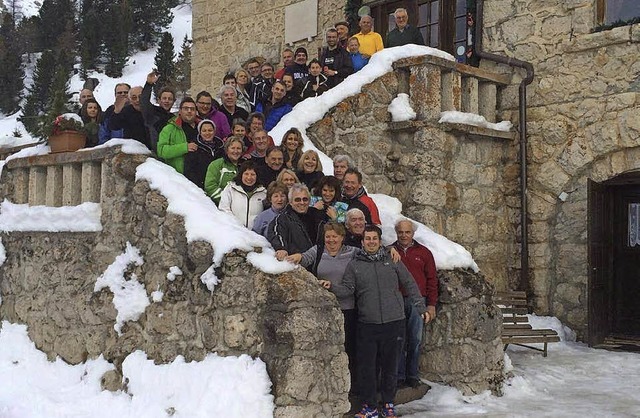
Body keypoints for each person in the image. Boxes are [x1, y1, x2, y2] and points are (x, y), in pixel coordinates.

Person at [331, 225, 428, 418]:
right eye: (368, 239)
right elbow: (348, 289)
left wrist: (420, 307)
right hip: (368, 323)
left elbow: (409, 283)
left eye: (374, 238)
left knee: (390, 366)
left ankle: (388, 403)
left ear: (379, 240)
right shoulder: (355, 265)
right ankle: (370, 406)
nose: (371, 242)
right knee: (367, 367)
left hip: (394, 321)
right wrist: (330, 286)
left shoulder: (392, 260)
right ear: (362, 242)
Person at [285, 222, 359, 392]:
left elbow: (371, 254)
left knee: (349, 347)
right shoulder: (318, 251)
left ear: (342, 237)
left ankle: (351, 388)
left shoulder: (352, 252)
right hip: (325, 308)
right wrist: (296, 257)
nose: (331, 240)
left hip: (348, 308)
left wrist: (390, 250)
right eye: (328, 237)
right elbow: (304, 258)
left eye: (335, 236)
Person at [392, 219, 438, 389]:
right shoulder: (390, 251)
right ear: (396, 233)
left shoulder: (424, 253)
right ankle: (398, 376)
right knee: (398, 340)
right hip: (396, 301)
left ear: (413, 233)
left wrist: (431, 304)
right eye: (400, 232)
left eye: (407, 232)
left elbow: (432, 280)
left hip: (418, 302)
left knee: (415, 339)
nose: (404, 235)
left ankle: (412, 375)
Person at [267, 183, 324, 260]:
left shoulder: (318, 216)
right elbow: (276, 233)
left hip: (320, 263)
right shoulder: (282, 218)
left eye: (305, 199)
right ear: (290, 202)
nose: (302, 203)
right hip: (297, 262)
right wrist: (281, 248)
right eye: (297, 200)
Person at [219, 161, 267, 229]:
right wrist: (238, 227)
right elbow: (224, 209)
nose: (249, 177)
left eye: (252, 174)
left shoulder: (263, 193)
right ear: (241, 175)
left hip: (255, 235)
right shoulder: (230, 189)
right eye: (246, 174)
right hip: (235, 231)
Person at [157, 97, 199, 174]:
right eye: (186, 108)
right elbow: (161, 151)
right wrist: (184, 147)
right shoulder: (170, 128)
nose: (189, 111)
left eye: (192, 109)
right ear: (180, 111)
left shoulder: (202, 127)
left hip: (201, 174)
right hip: (180, 175)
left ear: (196, 112)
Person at [140, 71, 176, 152]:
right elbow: (144, 101)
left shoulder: (174, 118)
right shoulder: (152, 113)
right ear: (159, 100)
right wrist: (149, 84)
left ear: (173, 101)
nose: (167, 101)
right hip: (154, 154)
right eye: (164, 98)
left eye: (170, 99)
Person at [184, 119, 225, 190]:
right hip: (200, 186)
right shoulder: (194, 148)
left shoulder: (221, 147)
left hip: (218, 186)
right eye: (204, 131)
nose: (207, 133)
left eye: (210, 130)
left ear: (214, 131)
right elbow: (189, 171)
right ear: (200, 132)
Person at [205, 136, 245, 203]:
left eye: (238, 148)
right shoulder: (216, 164)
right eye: (232, 148)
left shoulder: (245, 165)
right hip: (220, 206)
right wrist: (227, 201)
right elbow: (210, 187)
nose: (236, 151)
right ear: (227, 150)